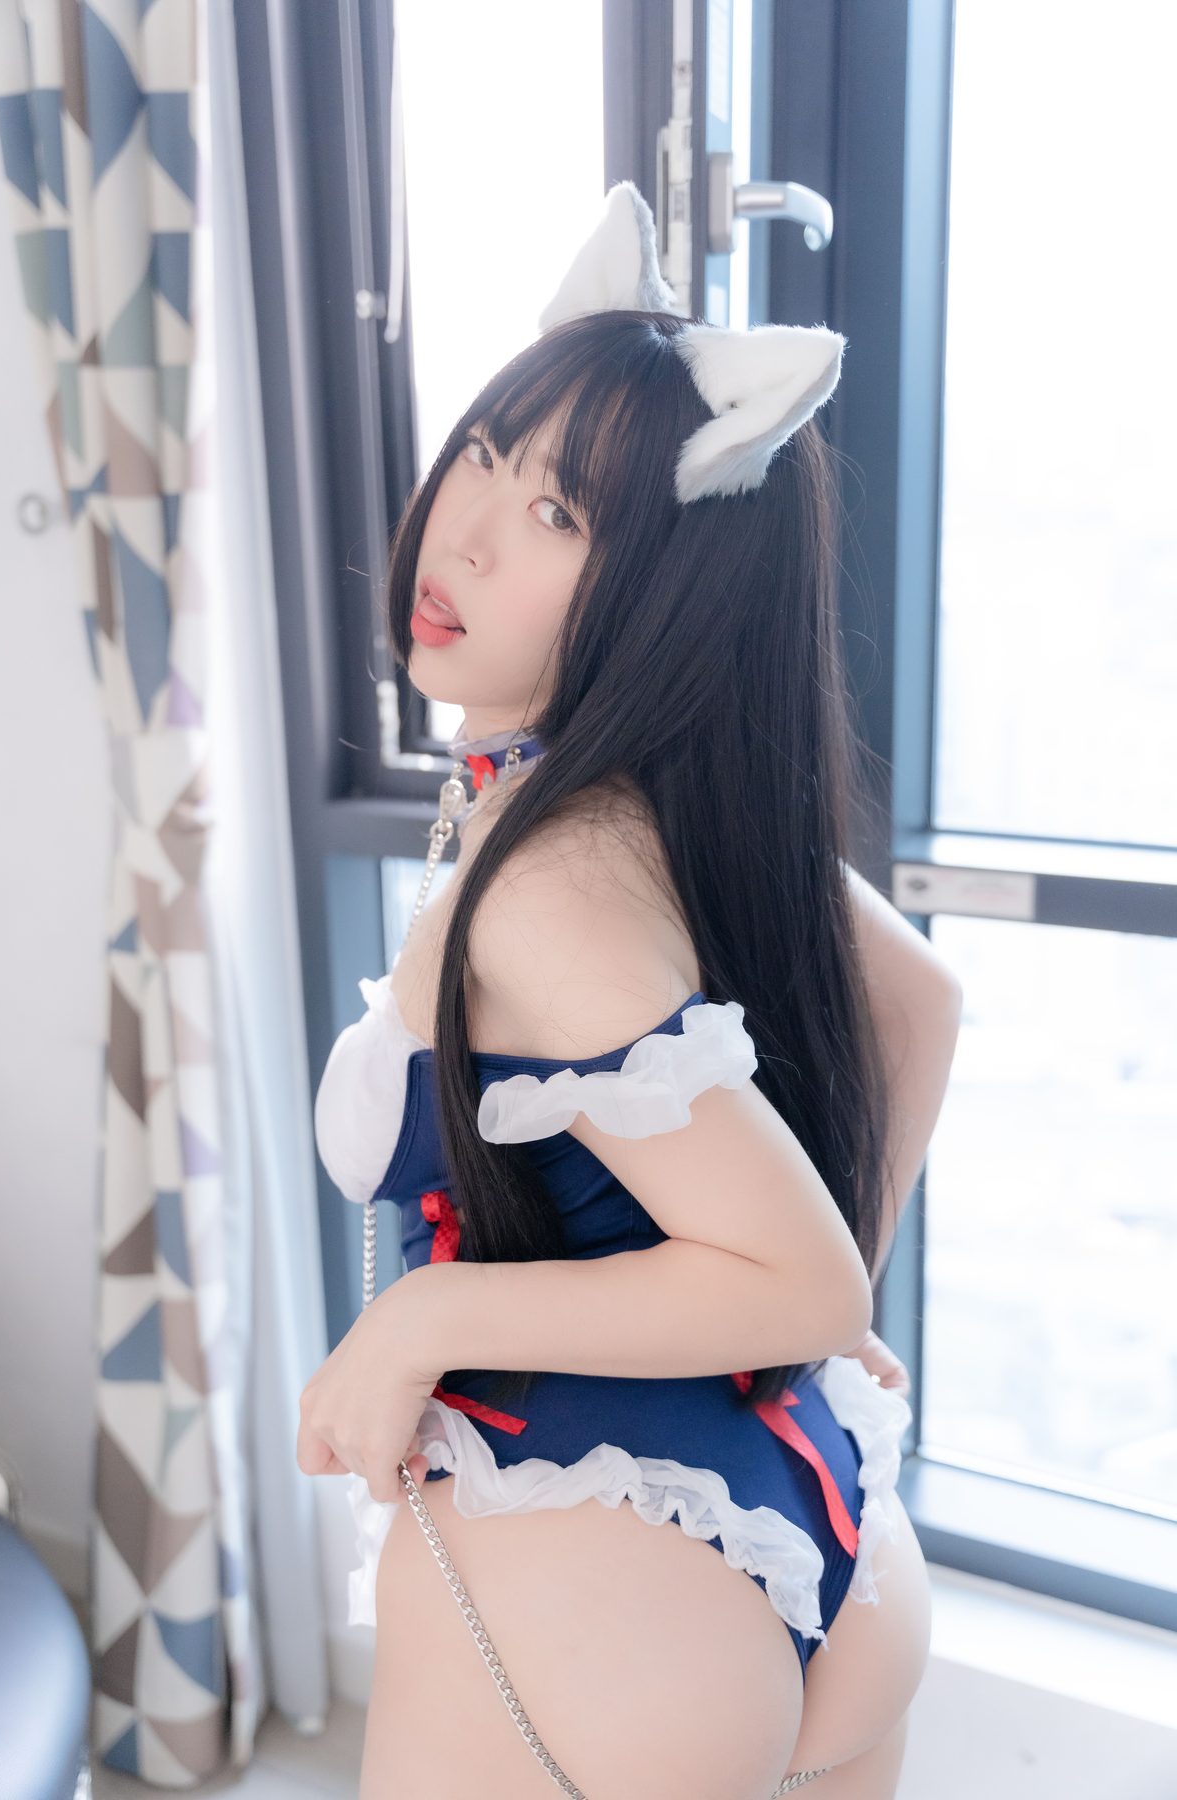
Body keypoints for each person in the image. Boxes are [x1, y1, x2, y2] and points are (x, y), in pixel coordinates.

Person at [305, 183, 956, 1798]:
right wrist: (783, 1331)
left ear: (668, 592)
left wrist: (430, 1317)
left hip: (591, 1581)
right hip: (810, 1528)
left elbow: (804, 1279)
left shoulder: (547, 887)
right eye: (487, 454)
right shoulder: (651, 800)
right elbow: (916, 997)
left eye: (557, 514)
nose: (464, 530)